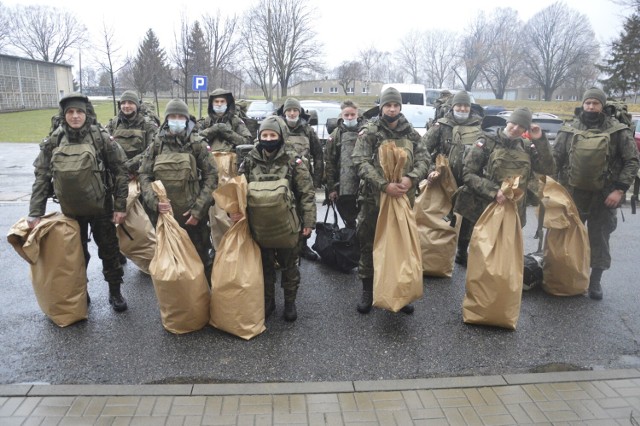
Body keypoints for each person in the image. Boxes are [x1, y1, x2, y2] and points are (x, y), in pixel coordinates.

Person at [27, 93, 130, 312]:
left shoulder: (99, 137)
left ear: (86, 114)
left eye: (79, 112)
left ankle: (115, 292)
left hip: (102, 207)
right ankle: (80, 292)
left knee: (109, 251)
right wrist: (35, 212)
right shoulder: (55, 139)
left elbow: (121, 169)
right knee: (75, 255)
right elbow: (42, 176)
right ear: (64, 116)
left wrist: (120, 206)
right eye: (70, 112)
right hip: (71, 211)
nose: (75, 116)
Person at [553, 88, 639, 300]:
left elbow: (632, 161)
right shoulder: (569, 128)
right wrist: (555, 189)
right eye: (588, 103)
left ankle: (595, 281)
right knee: (568, 237)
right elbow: (557, 158)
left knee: (599, 238)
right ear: (583, 104)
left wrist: (619, 190)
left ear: (603, 105)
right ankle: (570, 278)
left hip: (605, 195)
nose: (591, 107)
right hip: (573, 193)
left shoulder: (618, 131)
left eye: (595, 103)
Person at [352, 87, 430, 314]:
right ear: (382, 107)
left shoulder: (411, 133)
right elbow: (359, 161)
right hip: (373, 199)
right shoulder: (371, 131)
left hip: (403, 199)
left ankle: (401, 293)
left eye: (395, 105)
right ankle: (369, 290)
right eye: (388, 105)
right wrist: (383, 184)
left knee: (400, 245)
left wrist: (411, 179)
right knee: (368, 243)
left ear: (400, 107)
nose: (392, 109)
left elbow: (425, 159)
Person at [235, 116, 316, 322]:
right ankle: (268, 302)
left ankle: (290, 303)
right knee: (265, 267)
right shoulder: (250, 160)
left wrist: (308, 222)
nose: (268, 139)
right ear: (259, 136)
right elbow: (238, 190)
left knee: (290, 267)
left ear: (280, 136)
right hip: (259, 226)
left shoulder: (293, 160)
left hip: (288, 225)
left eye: (272, 135)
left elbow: (306, 193)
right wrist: (234, 213)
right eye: (265, 135)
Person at [454, 107, 556, 258]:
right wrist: (494, 191)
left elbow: (548, 168)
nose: (515, 129)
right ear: (507, 121)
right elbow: (468, 174)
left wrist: (540, 139)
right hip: (484, 204)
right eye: (513, 123)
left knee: (503, 251)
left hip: (513, 207)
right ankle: (463, 254)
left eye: (521, 126)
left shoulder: (526, 146)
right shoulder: (485, 141)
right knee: (479, 249)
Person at [138, 99, 218, 280]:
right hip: (165, 218)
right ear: (166, 119)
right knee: (171, 265)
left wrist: (198, 210)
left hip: (193, 219)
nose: (176, 120)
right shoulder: (156, 145)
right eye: (172, 116)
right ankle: (180, 303)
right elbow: (144, 175)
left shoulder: (197, 144)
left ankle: (204, 298)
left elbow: (212, 177)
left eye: (180, 116)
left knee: (202, 260)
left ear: (187, 119)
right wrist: (154, 203)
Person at [423, 91, 483, 266]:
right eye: (459, 105)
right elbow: (422, 150)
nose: (462, 108)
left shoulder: (479, 127)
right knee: (441, 217)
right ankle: (437, 252)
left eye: (466, 106)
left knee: (468, 217)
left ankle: (462, 250)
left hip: (469, 181)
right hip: (444, 181)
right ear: (453, 106)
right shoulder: (441, 126)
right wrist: (431, 170)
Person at [278, 97, 324, 261]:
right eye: (289, 110)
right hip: (283, 178)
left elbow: (318, 155)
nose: (292, 113)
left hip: (305, 178)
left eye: (295, 110)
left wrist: (317, 179)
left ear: (299, 112)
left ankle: (303, 246)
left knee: (305, 210)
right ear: (284, 113)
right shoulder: (278, 127)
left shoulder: (308, 130)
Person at [324, 100, 364, 229]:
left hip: (364, 186)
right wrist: (331, 188)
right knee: (349, 222)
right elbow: (329, 163)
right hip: (343, 187)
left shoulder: (366, 132)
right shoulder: (335, 135)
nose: (350, 118)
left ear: (358, 114)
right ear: (341, 115)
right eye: (346, 115)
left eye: (353, 114)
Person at [105, 90, 158, 177]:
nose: (126, 106)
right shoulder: (113, 124)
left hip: (141, 172)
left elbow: (151, 149)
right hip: (118, 173)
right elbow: (106, 148)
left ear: (137, 105)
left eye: (130, 103)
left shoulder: (148, 125)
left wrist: (131, 164)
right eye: (123, 103)